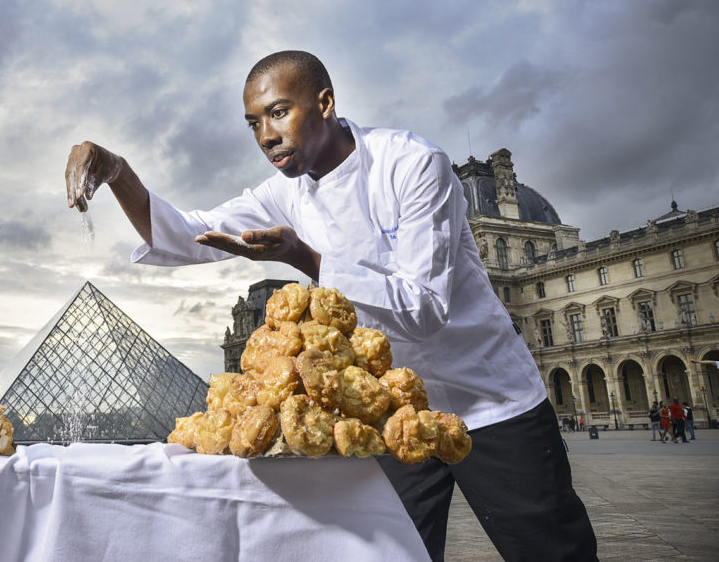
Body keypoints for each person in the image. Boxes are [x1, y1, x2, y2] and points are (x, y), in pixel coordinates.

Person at [65, 50, 597, 561]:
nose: (266, 136)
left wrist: (304, 256)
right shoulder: (284, 195)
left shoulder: (412, 164)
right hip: (391, 410)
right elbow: (184, 234)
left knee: (549, 551)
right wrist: (119, 174)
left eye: (278, 112)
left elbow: (424, 308)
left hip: (490, 399)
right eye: (252, 123)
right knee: (386, 557)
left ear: (324, 103)